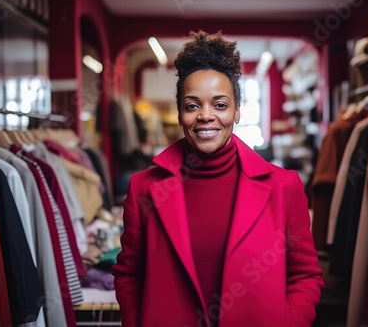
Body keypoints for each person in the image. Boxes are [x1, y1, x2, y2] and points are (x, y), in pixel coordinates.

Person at [112, 30, 324, 327]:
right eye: (192, 105)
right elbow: (129, 275)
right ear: (180, 113)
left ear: (237, 111)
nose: (206, 116)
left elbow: (304, 275)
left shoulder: (282, 187)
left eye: (220, 105)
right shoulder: (144, 188)